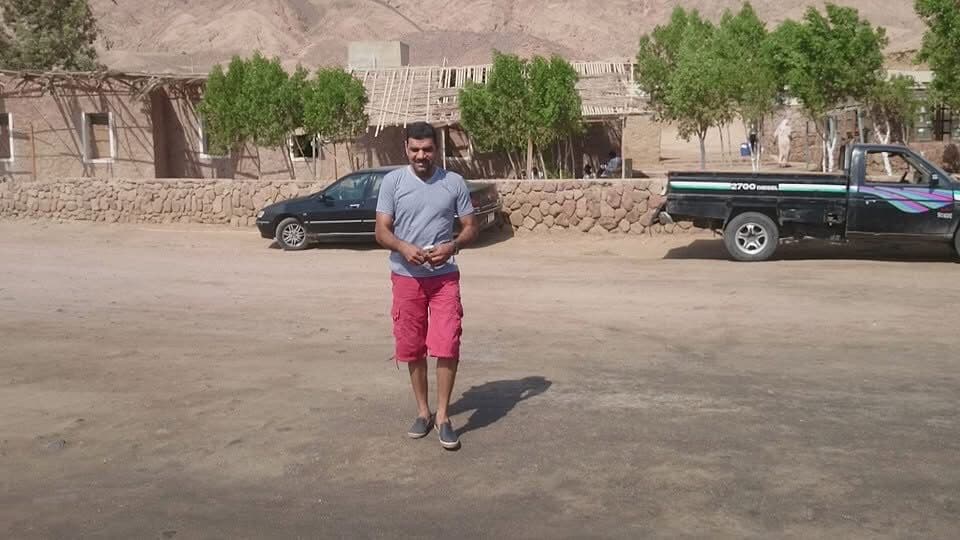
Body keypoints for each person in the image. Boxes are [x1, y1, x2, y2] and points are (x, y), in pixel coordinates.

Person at [375, 121, 479, 451]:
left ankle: (443, 417)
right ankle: (423, 411)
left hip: (444, 277)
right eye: (415, 149)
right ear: (405, 148)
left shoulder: (454, 182)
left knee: (447, 343)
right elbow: (381, 230)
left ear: (437, 149)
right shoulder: (392, 182)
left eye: (428, 149)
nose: (422, 155)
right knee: (412, 347)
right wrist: (403, 247)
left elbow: (470, 226)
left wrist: (453, 245)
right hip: (406, 278)